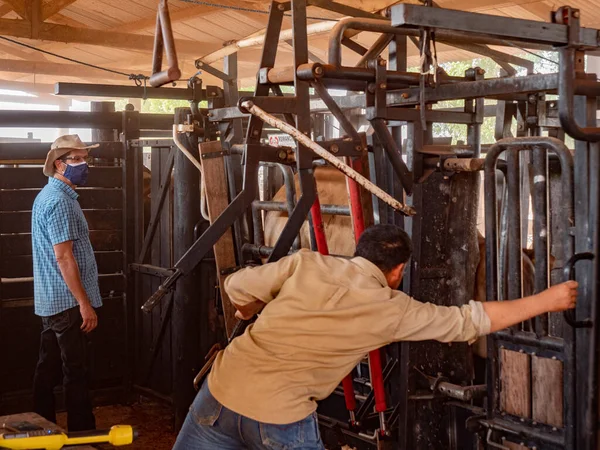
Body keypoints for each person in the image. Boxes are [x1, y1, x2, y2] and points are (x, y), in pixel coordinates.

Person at [173, 224, 578, 449]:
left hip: (220, 394)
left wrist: (255, 306)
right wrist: (548, 299)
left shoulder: (306, 263)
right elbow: (468, 321)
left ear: (358, 251)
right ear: (398, 271)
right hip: (279, 418)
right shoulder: (391, 308)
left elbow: (236, 289)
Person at [31, 134, 102, 431]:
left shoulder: (47, 196)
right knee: (76, 371)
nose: (84, 164)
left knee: (47, 368)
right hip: (68, 303)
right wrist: (84, 304)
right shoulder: (60, 201)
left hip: (51, 301)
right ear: (60, 164)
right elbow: (63, 258)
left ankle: (40, 425)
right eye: (77, 159)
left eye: (86, 158)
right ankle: (81, 432)